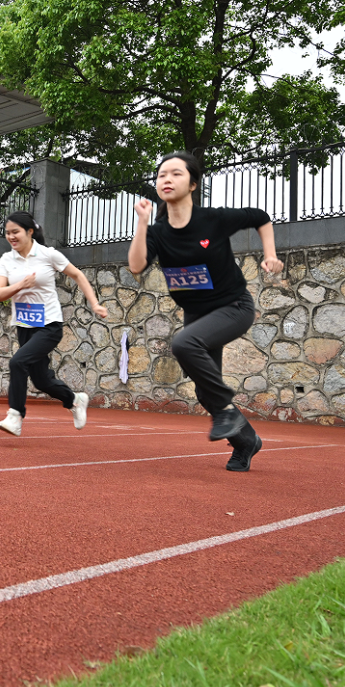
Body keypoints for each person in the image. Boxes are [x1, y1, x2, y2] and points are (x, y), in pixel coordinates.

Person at [128, 151, 283, 472]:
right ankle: (246, 441)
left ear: (193, 184)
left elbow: (260, 217)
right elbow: (136, 265)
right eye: (161, 175)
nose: (167, 179)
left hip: (233, 306)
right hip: (197, 314)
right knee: (204, 391)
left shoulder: (213, 219)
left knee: (184, 344)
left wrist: (270, 255)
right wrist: (142, 223)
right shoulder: (157, 232)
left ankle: (225, 410)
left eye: (176, 174)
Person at [0, 212, 107, 436]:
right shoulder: (6, 259)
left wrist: (94, 303)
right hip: (24, 326)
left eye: (15, 232)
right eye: (7, 233)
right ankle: (74, 399)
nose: (11, 237)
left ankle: (15, 415)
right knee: (41, 380)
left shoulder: (48, 254)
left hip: (49, 325)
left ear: (29, 231)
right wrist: (21, 285)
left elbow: (77, 275)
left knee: (17, 362)